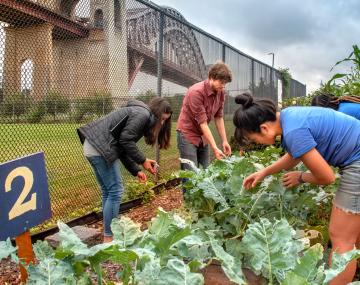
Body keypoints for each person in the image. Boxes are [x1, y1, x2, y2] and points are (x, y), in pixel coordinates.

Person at [233, 93, 360, 285]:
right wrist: (264, 172)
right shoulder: (289, 117)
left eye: (253, 139)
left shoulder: (293, 130)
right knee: (351, 234)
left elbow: (327, 177)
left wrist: (300, 177)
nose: (256, 144)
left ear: (264, 128)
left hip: (357, 163)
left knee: (340, 237)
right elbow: (296, 154)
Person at [77, 97, 172, 242]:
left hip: (92, 146)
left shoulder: (139, 112)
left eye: (166, 120)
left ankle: (108, 234)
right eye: (163, 119)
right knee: (115, 191)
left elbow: (122, 147)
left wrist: (136, 170)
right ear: (157, 113)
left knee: (108, 191)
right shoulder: (143, 114)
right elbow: (125, 140)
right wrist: (143, 160)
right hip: (100, 148)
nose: (163, 123)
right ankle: (109, 239)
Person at [177, 61, 232, 173]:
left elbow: (219, 117)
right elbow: (203, 123)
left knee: (206, 173)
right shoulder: (196, 92)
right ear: (211, 77)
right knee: (191, 175)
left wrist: (224, 141)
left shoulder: (220, 92)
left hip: (203, 136)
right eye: (221, 82)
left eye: (225, 83)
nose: (223, 86)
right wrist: (215, 148)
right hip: (188, 134)